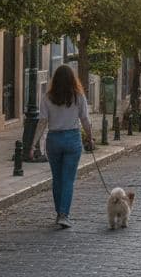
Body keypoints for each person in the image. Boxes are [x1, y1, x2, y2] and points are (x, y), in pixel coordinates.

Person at [34, 64, 94, 228]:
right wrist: (90, 138)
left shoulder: (47, 98)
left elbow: (42, 123)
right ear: (72, 79)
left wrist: (34, 144)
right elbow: (85, 120)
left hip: (54, 140)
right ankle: (63, 214)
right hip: (72, 139)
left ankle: (59, 212)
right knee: (68, 179)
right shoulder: (78, 97)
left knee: (57, 179)